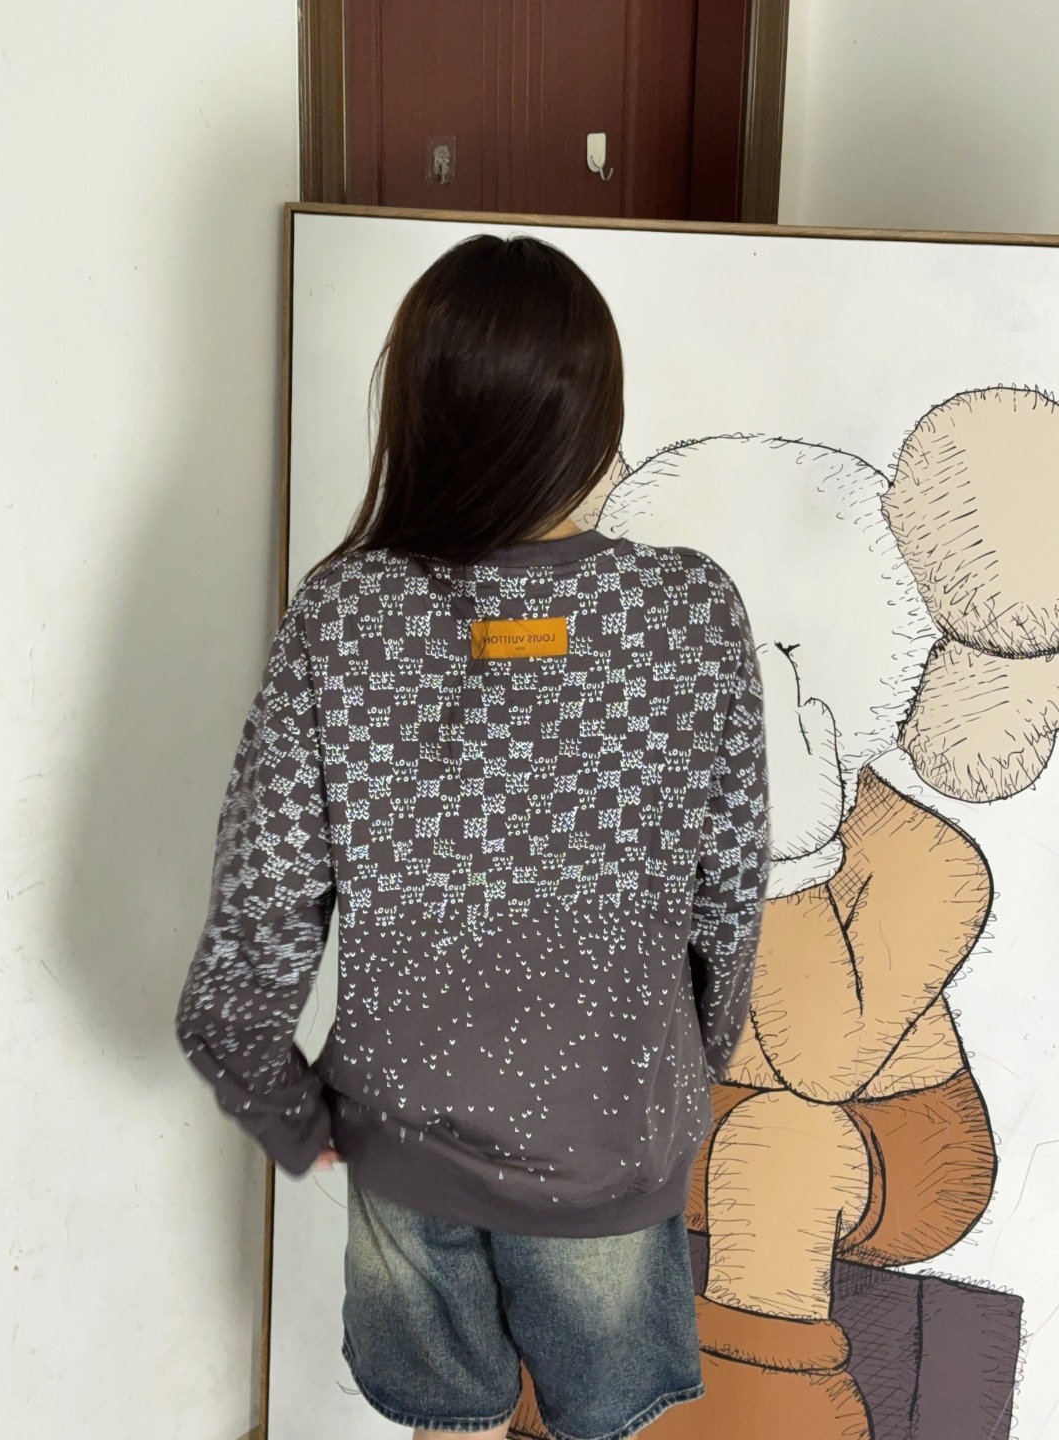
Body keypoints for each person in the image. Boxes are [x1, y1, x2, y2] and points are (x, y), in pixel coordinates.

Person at [175, 233, 769, 1440]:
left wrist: (282, 1103)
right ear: (598, 420)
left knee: (448, 1426)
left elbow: (262, 899)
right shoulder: (690, 612)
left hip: (405, 1139)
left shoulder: (343, 615)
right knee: (606, 1421)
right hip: (612, 1133)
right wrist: (689, 1063)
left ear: (418, 417)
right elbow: (731, 891)